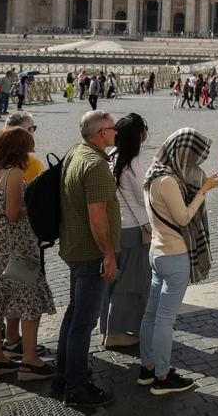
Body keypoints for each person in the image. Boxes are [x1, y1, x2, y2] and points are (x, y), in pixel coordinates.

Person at [139, 128, 218, 395]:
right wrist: (204, 190)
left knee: (151, 315)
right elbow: (184, 218)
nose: (195, 161)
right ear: (182, 152)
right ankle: (163, 377)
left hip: (157, 253)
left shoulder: (153, 173)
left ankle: (148, 368)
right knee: (164, 320)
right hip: (174, 256)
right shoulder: (168, 181)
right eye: (193, 155)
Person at [54, 110, 122, 407]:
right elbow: (98, 217)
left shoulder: (76, 153)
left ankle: (64, 374)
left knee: (74, 314)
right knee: (84, 321)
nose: (117, 131)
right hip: (91, 254)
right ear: (101, 133)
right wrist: (108, 255)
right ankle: (77, 387)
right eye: (113, 127)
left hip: (75, 248)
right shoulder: (95, 165)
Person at [0, 126, 56, 382]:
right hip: (13, 244)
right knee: (29, 296)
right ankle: (30, 360)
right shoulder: (14, 174)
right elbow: (13, 213)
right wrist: (31, 205)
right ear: (19, 149)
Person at [101, 114, 150, 348]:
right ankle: (117, 331)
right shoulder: (134, 163)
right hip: (133, 229)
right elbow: (144, 198)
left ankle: (110, 328)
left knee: (114, 281)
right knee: (130, 283)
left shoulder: (110, 156)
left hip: (114, 226)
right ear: (139, 135)